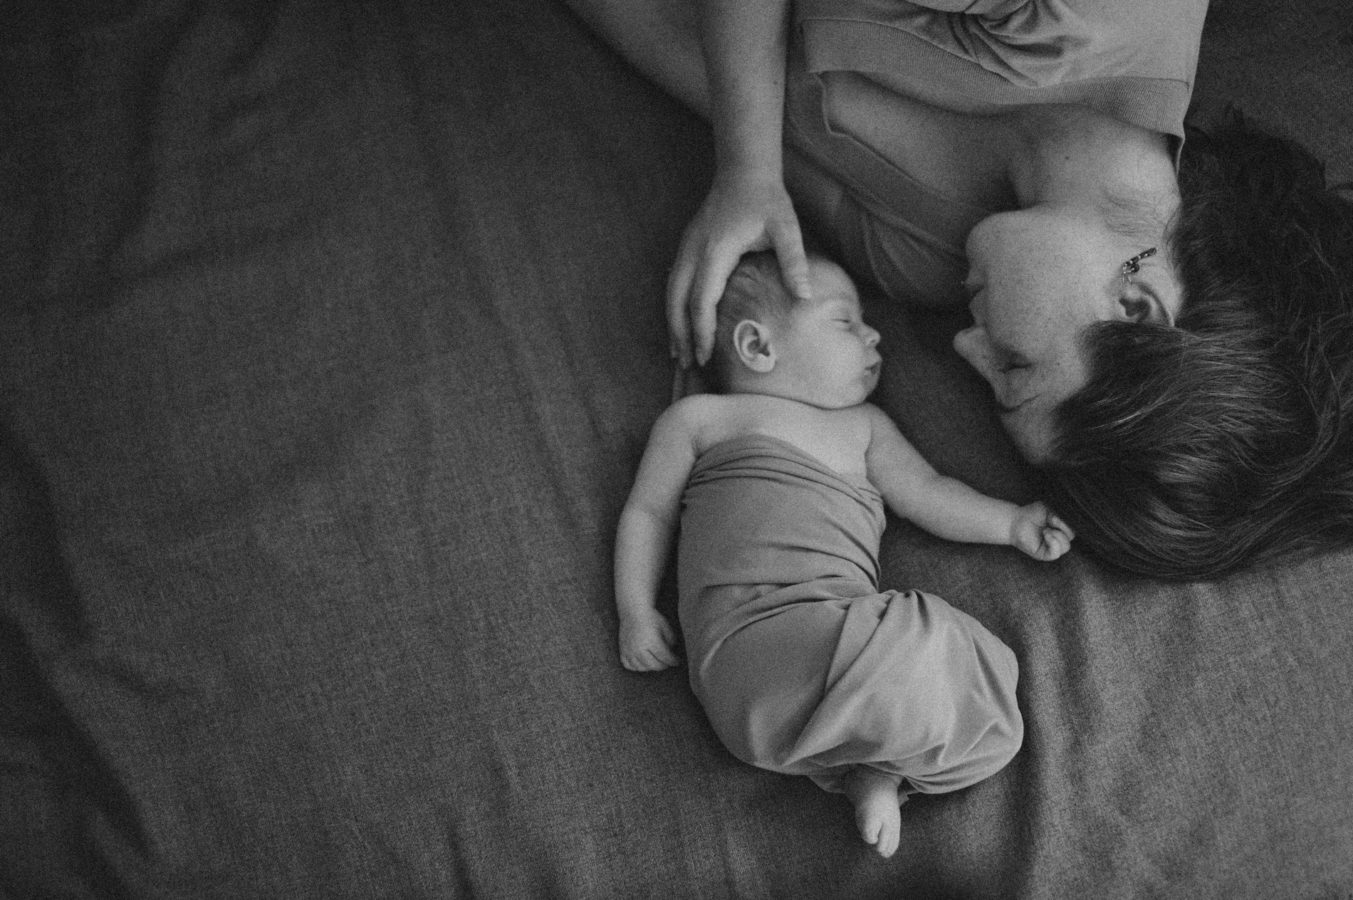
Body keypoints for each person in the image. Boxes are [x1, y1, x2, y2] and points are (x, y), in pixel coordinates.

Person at [566, 0, 1353, 579]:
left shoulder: (919, 261)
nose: (960, 344)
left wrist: (749, 174)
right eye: (1012, 368)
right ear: (1136, 308)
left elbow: (665, 34)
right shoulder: (1089, 19)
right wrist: (745, 166)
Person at [613, 251, 1074, 857]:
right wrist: (635, 609)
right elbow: (648, 513)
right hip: (747, 651)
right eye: (844, 321)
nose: (873, 332)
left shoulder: (866, 428)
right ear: (758, 346)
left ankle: (879, 774)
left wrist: (1010, 523)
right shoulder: (700, 420)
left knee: (976, 672)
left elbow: (930, 495)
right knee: (916, 635)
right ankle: (872, 759)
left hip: (839, 639)